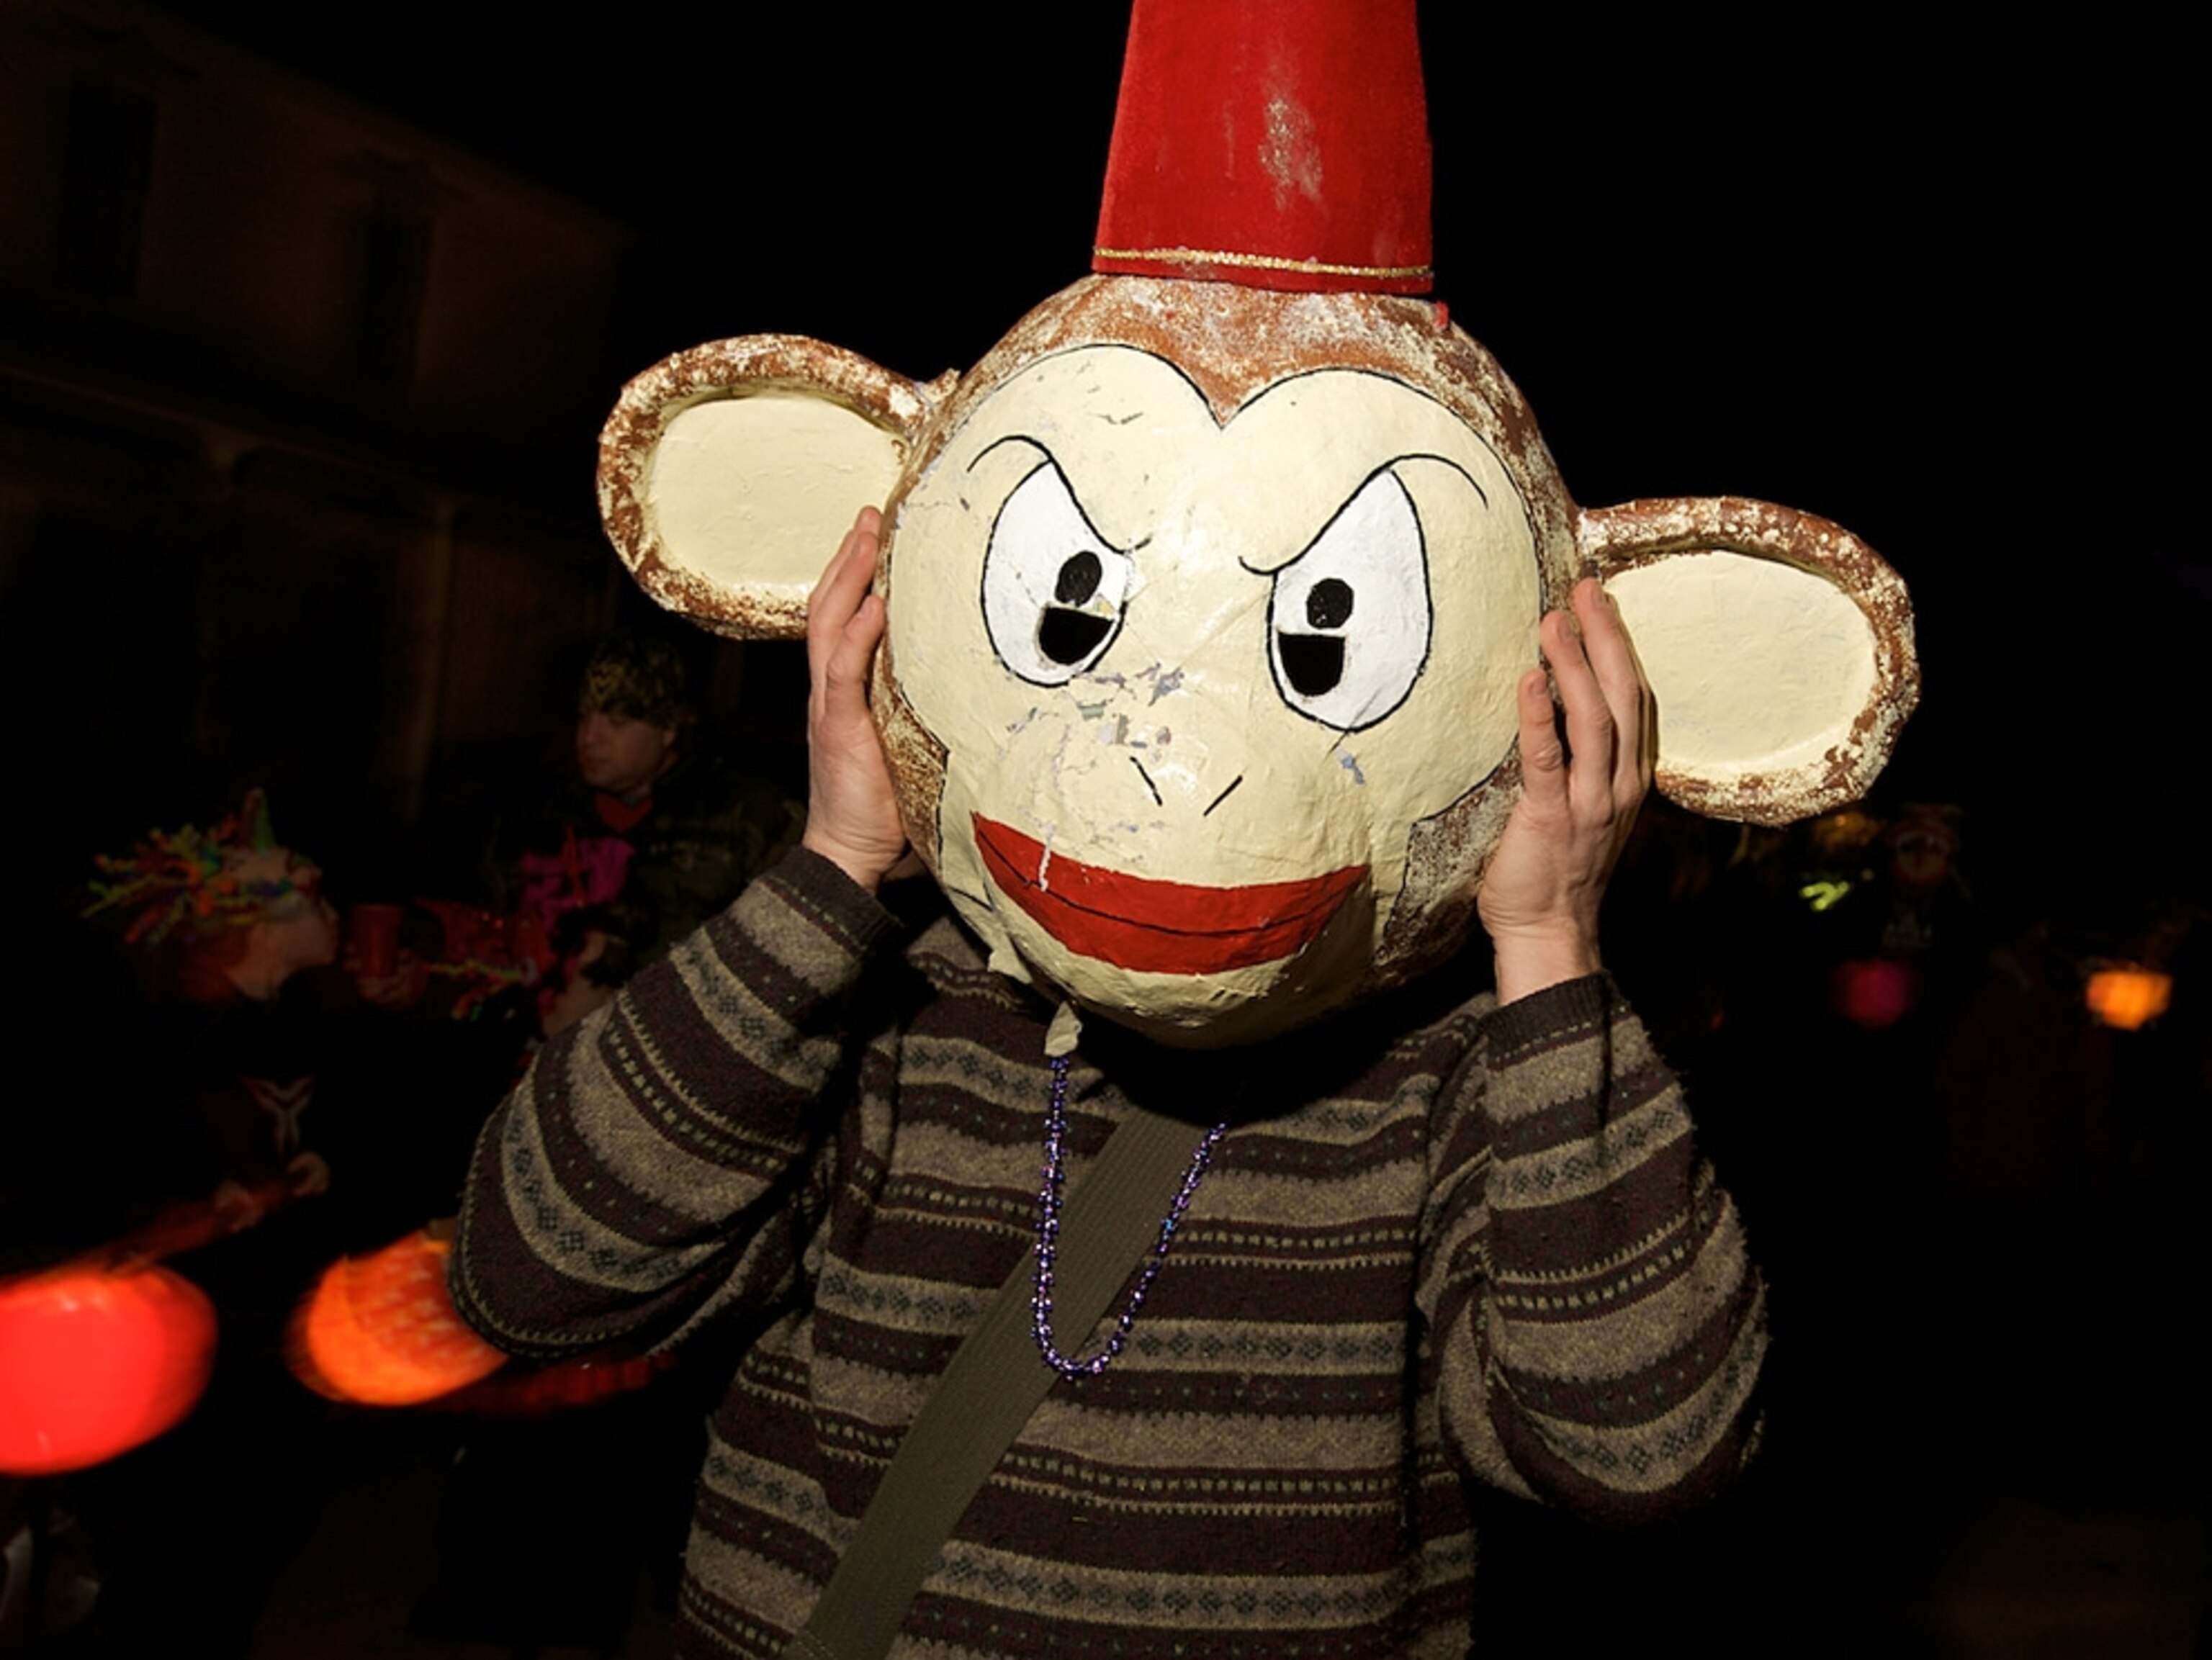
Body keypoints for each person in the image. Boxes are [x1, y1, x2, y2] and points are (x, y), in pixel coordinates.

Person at [451, 510, 1764, 1658]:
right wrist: (836, 861)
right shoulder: (891, 996)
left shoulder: (1455, 1058)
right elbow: (535, 1269)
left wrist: (1546, 947)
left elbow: (1635, 1446)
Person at [492, 631, 801, 1035]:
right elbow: (481, 941)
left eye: (617, 721)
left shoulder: (747, 818)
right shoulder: (538, 818)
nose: (589, 738)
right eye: (585, 716)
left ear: (668, 729)